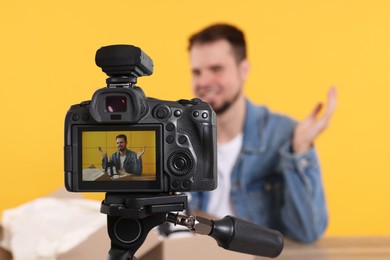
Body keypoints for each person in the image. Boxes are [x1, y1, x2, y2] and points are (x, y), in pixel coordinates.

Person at [187, 23, 337, 243]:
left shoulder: (283, 135)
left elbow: (308, 232)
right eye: (197, 72)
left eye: (216, 69)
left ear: (243, 70)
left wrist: (300, 149)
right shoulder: (180, 135)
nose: (204, 82)